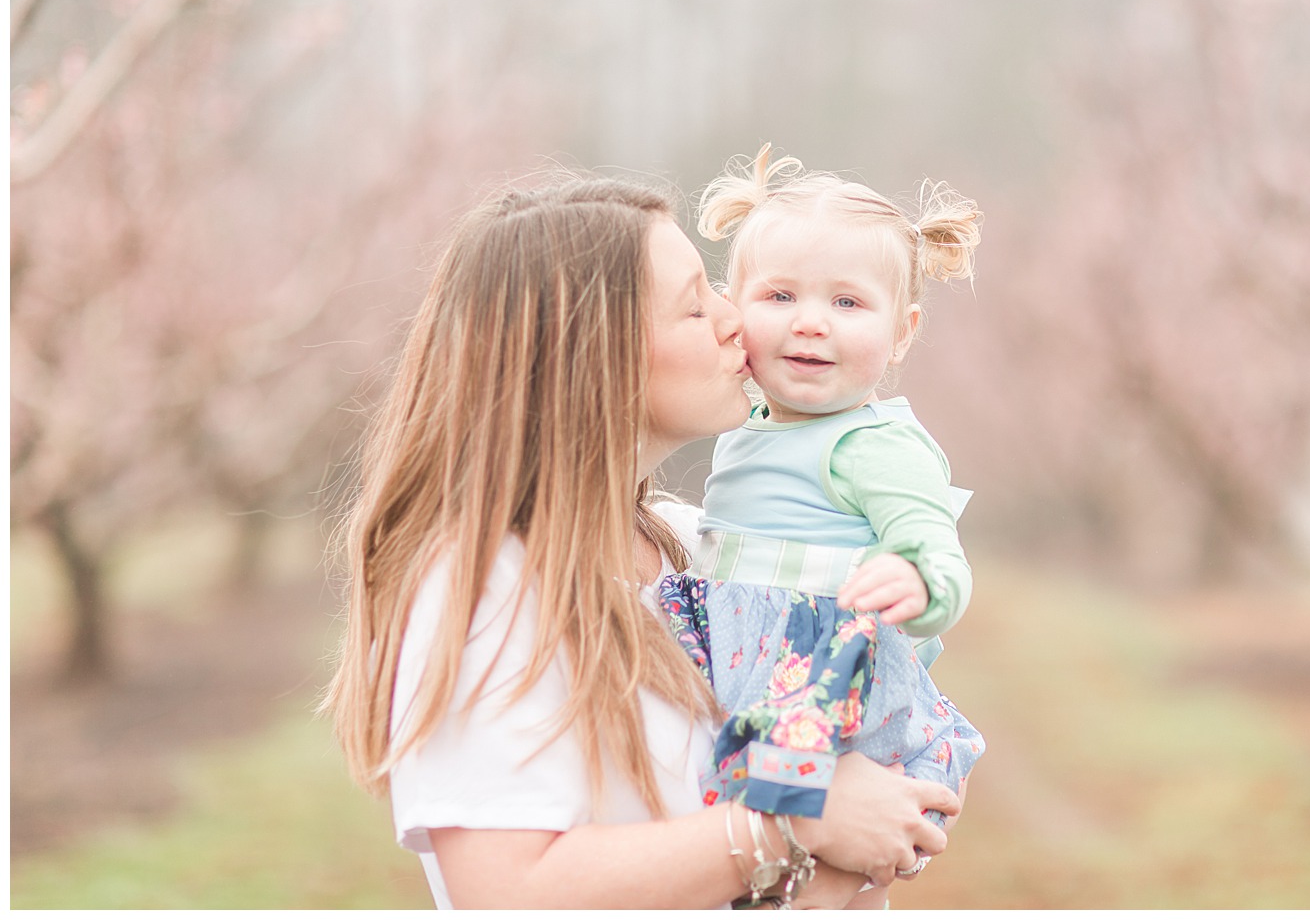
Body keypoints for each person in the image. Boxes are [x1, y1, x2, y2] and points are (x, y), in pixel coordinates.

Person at [322, 177, 960, 909]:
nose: (735, 320)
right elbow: (504, 890)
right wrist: (794, 821)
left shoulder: (698, 550)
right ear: (592, 352)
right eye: (697, 303)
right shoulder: (481, 585)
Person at [659, 147, 986, 909]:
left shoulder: (872, 442)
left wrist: (917, 577)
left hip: (827, 677)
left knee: (831, 876)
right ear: (733, 308)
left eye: (848, 303)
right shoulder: (748, 422)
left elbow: (933, 541)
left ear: (901, 333)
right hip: (750, 662)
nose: (811, 322)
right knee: (761, 869)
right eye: (779, 295)